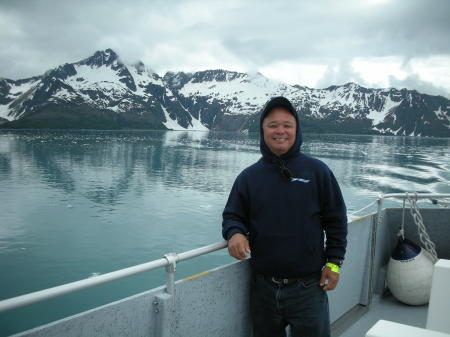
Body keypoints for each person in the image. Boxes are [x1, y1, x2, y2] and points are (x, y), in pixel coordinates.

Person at [222, 96, 348, 337]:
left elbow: (336, 221)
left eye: (287, 125)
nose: (280, 131)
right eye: (272, 125)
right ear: (262, 131)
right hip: (262, 289)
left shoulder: (318, 171)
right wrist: (234, 233)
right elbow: (232, 215)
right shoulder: (249, 178)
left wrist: (334, 263)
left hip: (309, 288)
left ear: (296, 130)